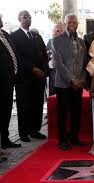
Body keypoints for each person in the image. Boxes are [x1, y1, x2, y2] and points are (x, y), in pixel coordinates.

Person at [51, 13, 88, 150]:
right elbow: (58, 64)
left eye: (75, 22)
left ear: (78, 24)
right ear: (65, 24)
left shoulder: (81, 42)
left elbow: (85, 64)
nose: (72, 24)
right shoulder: (56, 40)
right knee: (63, 113)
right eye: (70, 22)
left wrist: (81, 80)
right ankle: (62, 140)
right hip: (63, 84)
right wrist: (71, 79)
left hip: (78, 84)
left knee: (76, 112)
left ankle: (74, 137)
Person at [11, 10, 48, 142]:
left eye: (29, 17)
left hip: (39, 78)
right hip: (24, 78)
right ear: (19, 19)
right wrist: (32, 68)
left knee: (37, 104)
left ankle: (34, 130)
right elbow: (17, 57)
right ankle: (23, 133)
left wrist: (43, 68)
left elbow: (44, 53)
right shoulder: (14, 36)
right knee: (24, 105)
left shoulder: (36, 36)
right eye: (24, 17)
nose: (27, 19)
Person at [0, 14, 21, 149]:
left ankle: (5, 139)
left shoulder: (5, 35)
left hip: (9, 81)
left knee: (6, 111)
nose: (1, 20)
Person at [46, 23, 65, 96]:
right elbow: (47, 56)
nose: (53, 33)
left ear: (62, 31)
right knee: (53, 96)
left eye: (56, 30)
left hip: (64, 74)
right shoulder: (50, 42)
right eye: (53, 30)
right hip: (53, 73)